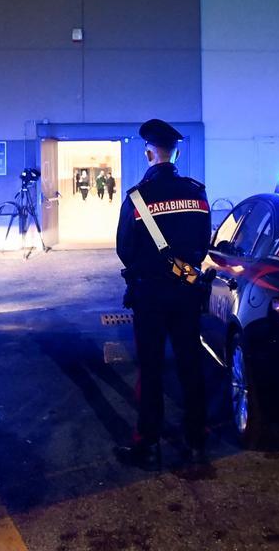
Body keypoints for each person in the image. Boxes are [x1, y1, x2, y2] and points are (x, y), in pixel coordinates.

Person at [114, 119, 211, 470]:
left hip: (150, 295)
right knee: (190, 366)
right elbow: (203, 244)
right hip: (187, 293)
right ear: (176, 153)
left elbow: (124, 248)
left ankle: (148, 442)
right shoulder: (196, 192)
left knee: (151, 370)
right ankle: (197, 443)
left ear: (149, 152)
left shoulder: (138, 198)